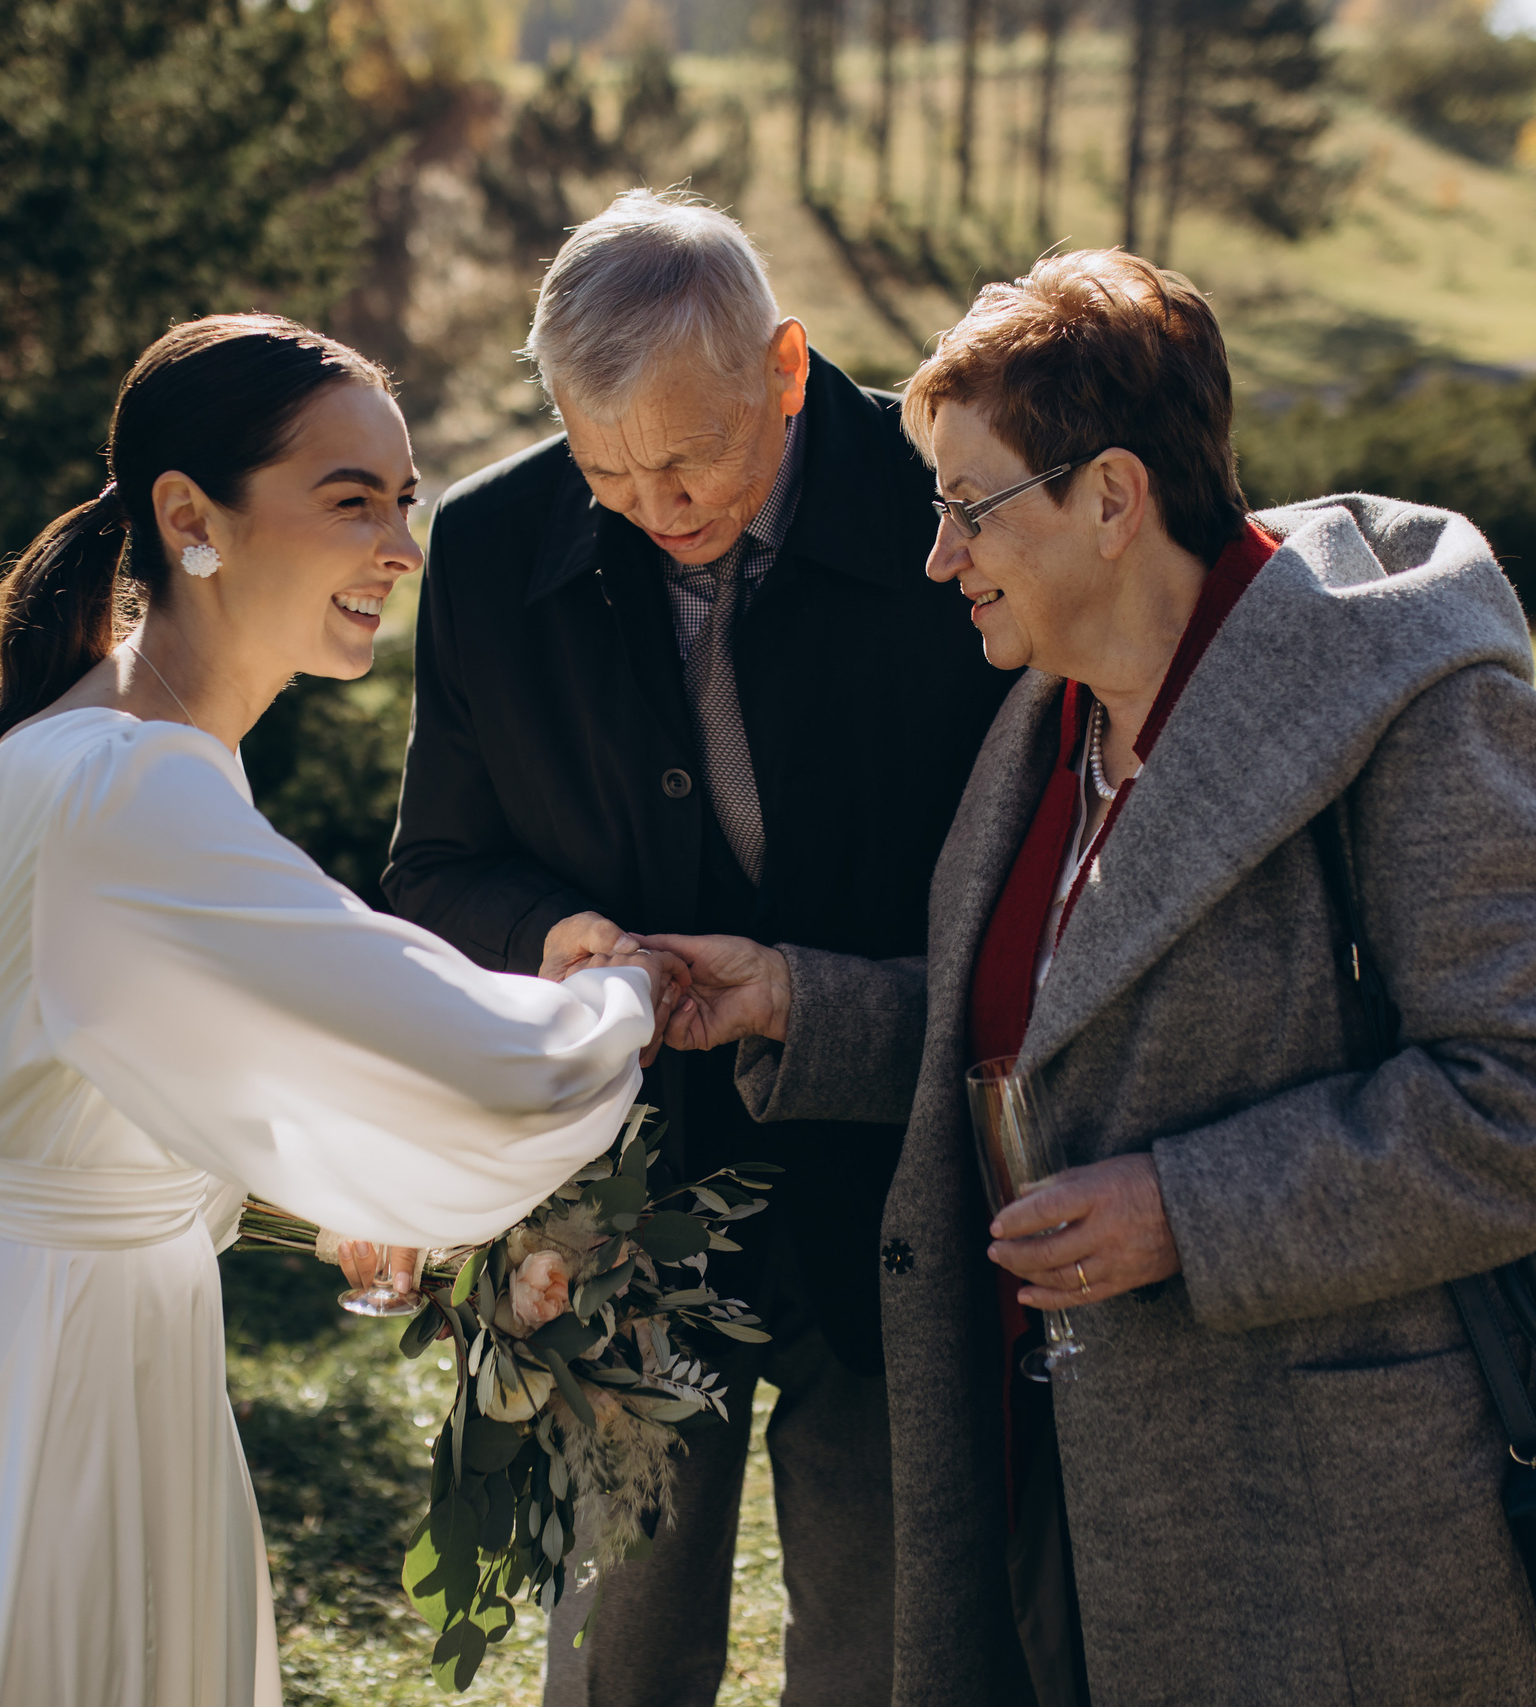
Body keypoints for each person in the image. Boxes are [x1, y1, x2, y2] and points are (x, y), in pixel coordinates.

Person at [646, 251, 1536, 1707]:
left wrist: (1188, 1209)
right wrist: (795, 1003)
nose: (941, 559)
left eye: (970, 509)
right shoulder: (1047, 723)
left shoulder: (1420, 709)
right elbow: (1066, 1040)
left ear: (1112, 500)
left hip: (1330, 1540)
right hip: (1058, 1491)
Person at [0, 315, 683, 1707]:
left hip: (8, 1328)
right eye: (350, 501)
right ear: (189, 517)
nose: (400, 546)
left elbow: (133, 1075)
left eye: (404, 502)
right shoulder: (131, 787)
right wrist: (620, 988)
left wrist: (331, 1184)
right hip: (53, 1377)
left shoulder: (108, 749)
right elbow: (488, 1066)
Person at [383, 190, 1012, 1706]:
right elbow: (435, 871)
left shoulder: (951, 504)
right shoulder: (485, 551)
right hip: (628, 1199)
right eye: (607, 468)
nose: (655, 504)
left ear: (787, 368)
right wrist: (558, 935)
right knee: (619, 1640)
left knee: (883, 1638)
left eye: (690, 458)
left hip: (902, 1175)